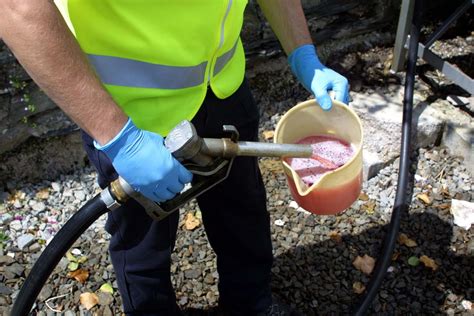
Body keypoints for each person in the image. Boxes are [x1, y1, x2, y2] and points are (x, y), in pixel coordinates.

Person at [0, 1, 349, 315]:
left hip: (222, 86)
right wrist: (118, 138)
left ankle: (250, 303)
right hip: (132, 115)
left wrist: (302, 52)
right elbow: (18, 8)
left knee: (243, 210)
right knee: (143, 243)